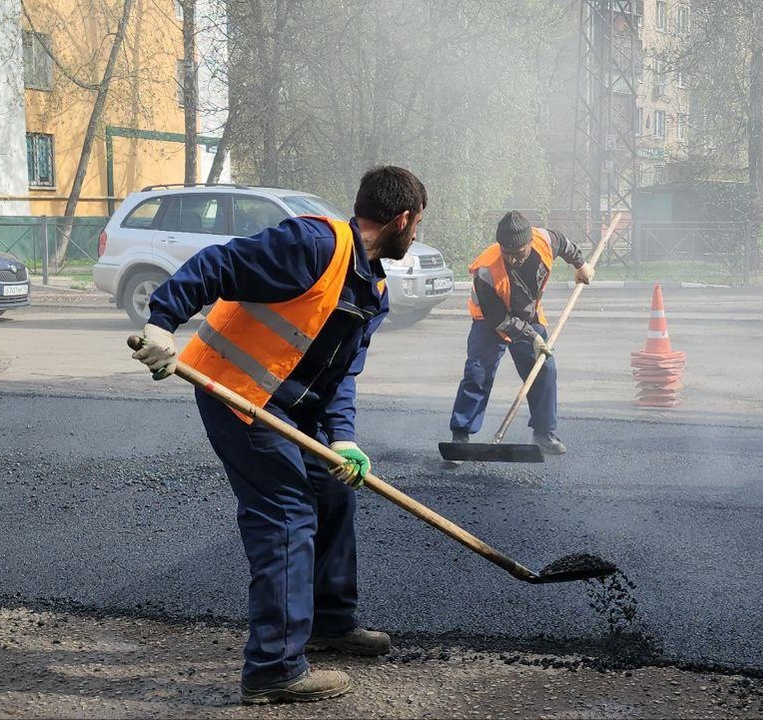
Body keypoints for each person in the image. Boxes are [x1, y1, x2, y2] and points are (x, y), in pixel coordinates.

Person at [131, 166, 426, 704]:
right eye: (418, 223)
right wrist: (161, 321)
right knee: (287, 512)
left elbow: (341, 376)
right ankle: (274, 668)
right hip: (235, 392)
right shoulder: (313, 244)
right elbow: (218, 263)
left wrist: (343, 439)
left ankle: (330, 621)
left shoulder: (372, 287)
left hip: (292, 408)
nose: (416, 233)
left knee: (335, 489)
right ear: (403, 218)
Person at [445, 211, 595, 465]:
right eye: (508, 253)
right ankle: (460, 436)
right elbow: (499, 320)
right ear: (500, 247)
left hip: (528, 313)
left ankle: (543, 433)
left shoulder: (545, 240)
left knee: (544, 369)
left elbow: (566, 245)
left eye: (520, 253)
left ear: (529, 243)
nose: (514, 259)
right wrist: (532, 336)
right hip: (489, 321)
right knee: (478, 373)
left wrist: (581, 265)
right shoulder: (485, 271)